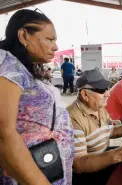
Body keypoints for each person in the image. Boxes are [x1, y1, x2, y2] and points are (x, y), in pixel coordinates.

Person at [0, 9, 74, 185]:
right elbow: (4, 132)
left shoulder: (23, 67)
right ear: (24, 36)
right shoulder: (7, 63)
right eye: (49, 39)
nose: (55, 47)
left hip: (46, 166)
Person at [67, 69, 122, 185]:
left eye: (107, 89)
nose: (108, 94)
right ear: (85, 94)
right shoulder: (71, 118)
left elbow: (109, 131)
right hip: (87, 175)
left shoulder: (98, 107)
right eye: (102, 90)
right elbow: (78, 164)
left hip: (102, 157)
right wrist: (119, 154)